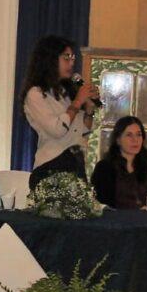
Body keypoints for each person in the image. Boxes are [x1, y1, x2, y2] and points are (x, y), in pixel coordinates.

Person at [21, 34, 98, 188]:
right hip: (51, 167)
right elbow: (57, 129)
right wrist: (78, 101)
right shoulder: (35, 94)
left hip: (75, 164)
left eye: (73, 58)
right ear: (50, 59)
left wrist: (89, 109)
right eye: (66, 57)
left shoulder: (66, 92)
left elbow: (83, 131)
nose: (72, 63)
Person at [91, 116, 147, 211]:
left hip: (143, 220)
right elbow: (103, 205)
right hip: (115, 220)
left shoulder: (146, 169)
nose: (135, 140)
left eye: (139, 135)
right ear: (118, 140)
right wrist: (135, 212)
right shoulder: (105, 167)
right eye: (129, 135)